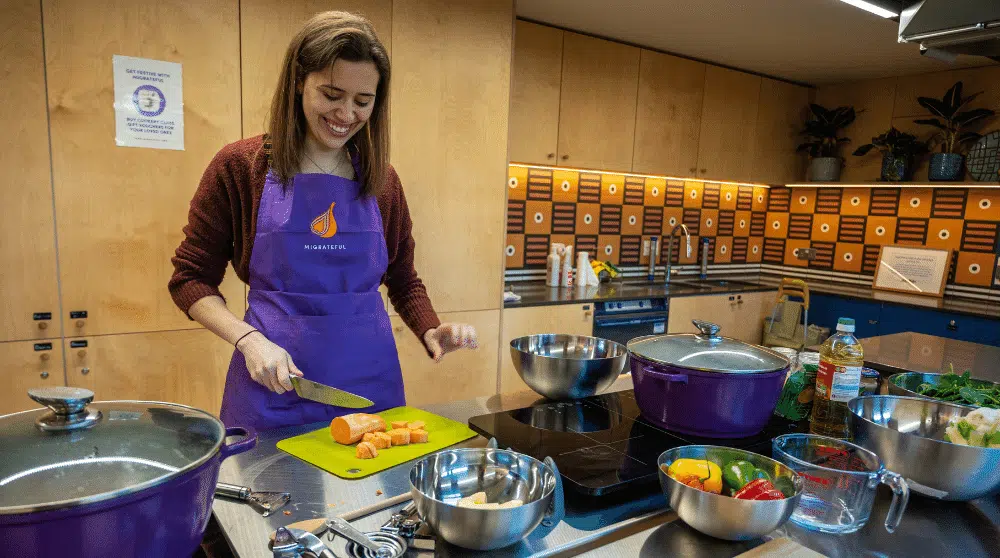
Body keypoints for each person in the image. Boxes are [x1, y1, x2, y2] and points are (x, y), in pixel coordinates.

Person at [169, 11, 477, 431]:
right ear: (299, 82)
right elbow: (190, 278)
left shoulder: (382, 181)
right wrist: (248, 340)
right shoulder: (241, 167)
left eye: (362, 102)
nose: (346, 114)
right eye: (332, 94)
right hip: (272, 386)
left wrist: (430, 327)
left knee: (374, 497)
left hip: (370, 393)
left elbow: (402, 278)